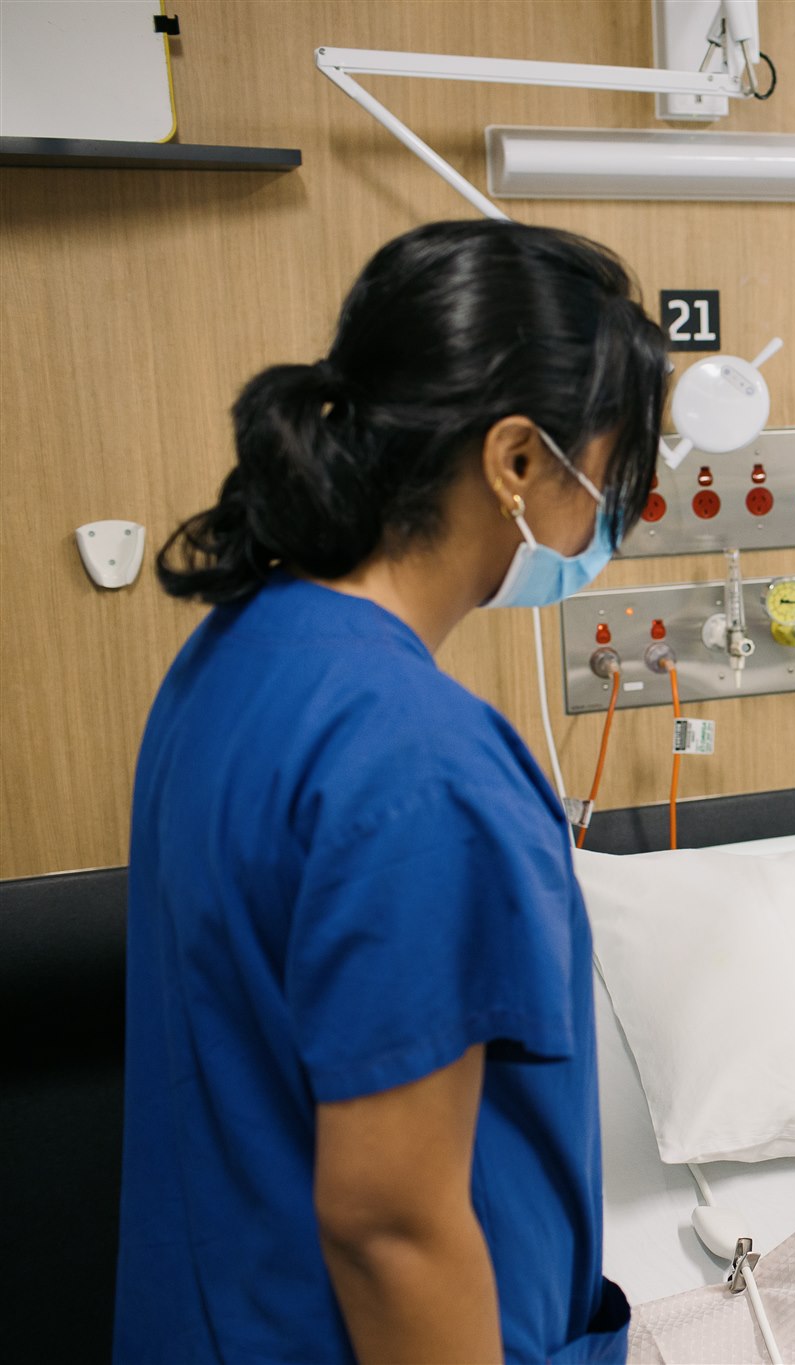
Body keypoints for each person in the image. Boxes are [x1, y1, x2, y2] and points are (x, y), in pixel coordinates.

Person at [116, 220, 667, 1363]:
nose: (609, 512)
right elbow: (390, 1225)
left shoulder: (235, 654)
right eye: (609, 471)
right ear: (518, 462)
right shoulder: (419, 763)